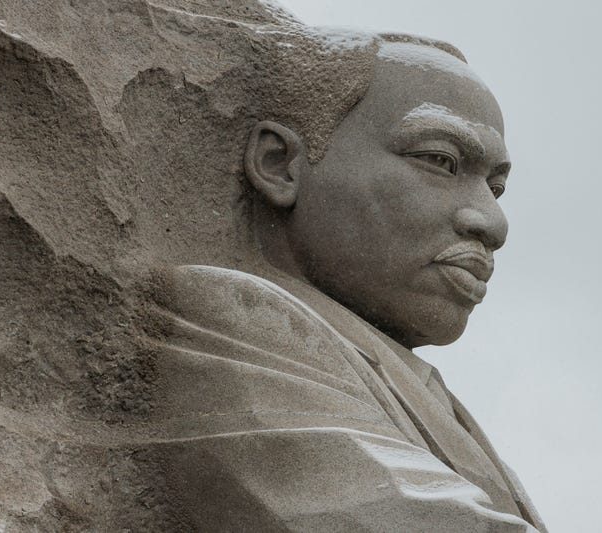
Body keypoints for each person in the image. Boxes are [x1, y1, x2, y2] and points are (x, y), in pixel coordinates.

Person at [148, 35, 548, 532]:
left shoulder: (436, 398)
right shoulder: (229, 313)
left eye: (496, 188)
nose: (492, 222)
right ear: (279, 165)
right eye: (440, 161)